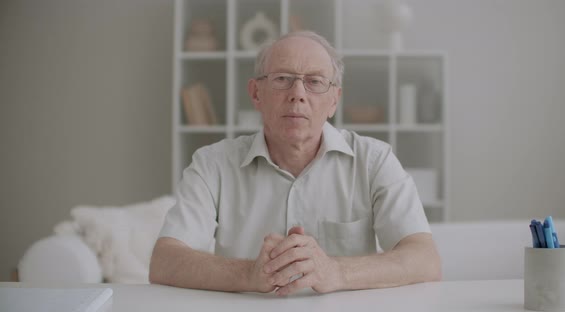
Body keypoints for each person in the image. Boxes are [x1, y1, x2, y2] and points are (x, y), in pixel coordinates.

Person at [149, 31, 441, 296]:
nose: (298, 94)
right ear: (256, 93)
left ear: (334, 101)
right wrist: (249, 274)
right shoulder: (212, 164)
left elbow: (424, 260)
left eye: (314, 82)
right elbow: (165, 261)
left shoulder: (375, 160)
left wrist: (336, 271)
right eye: (282, 79)